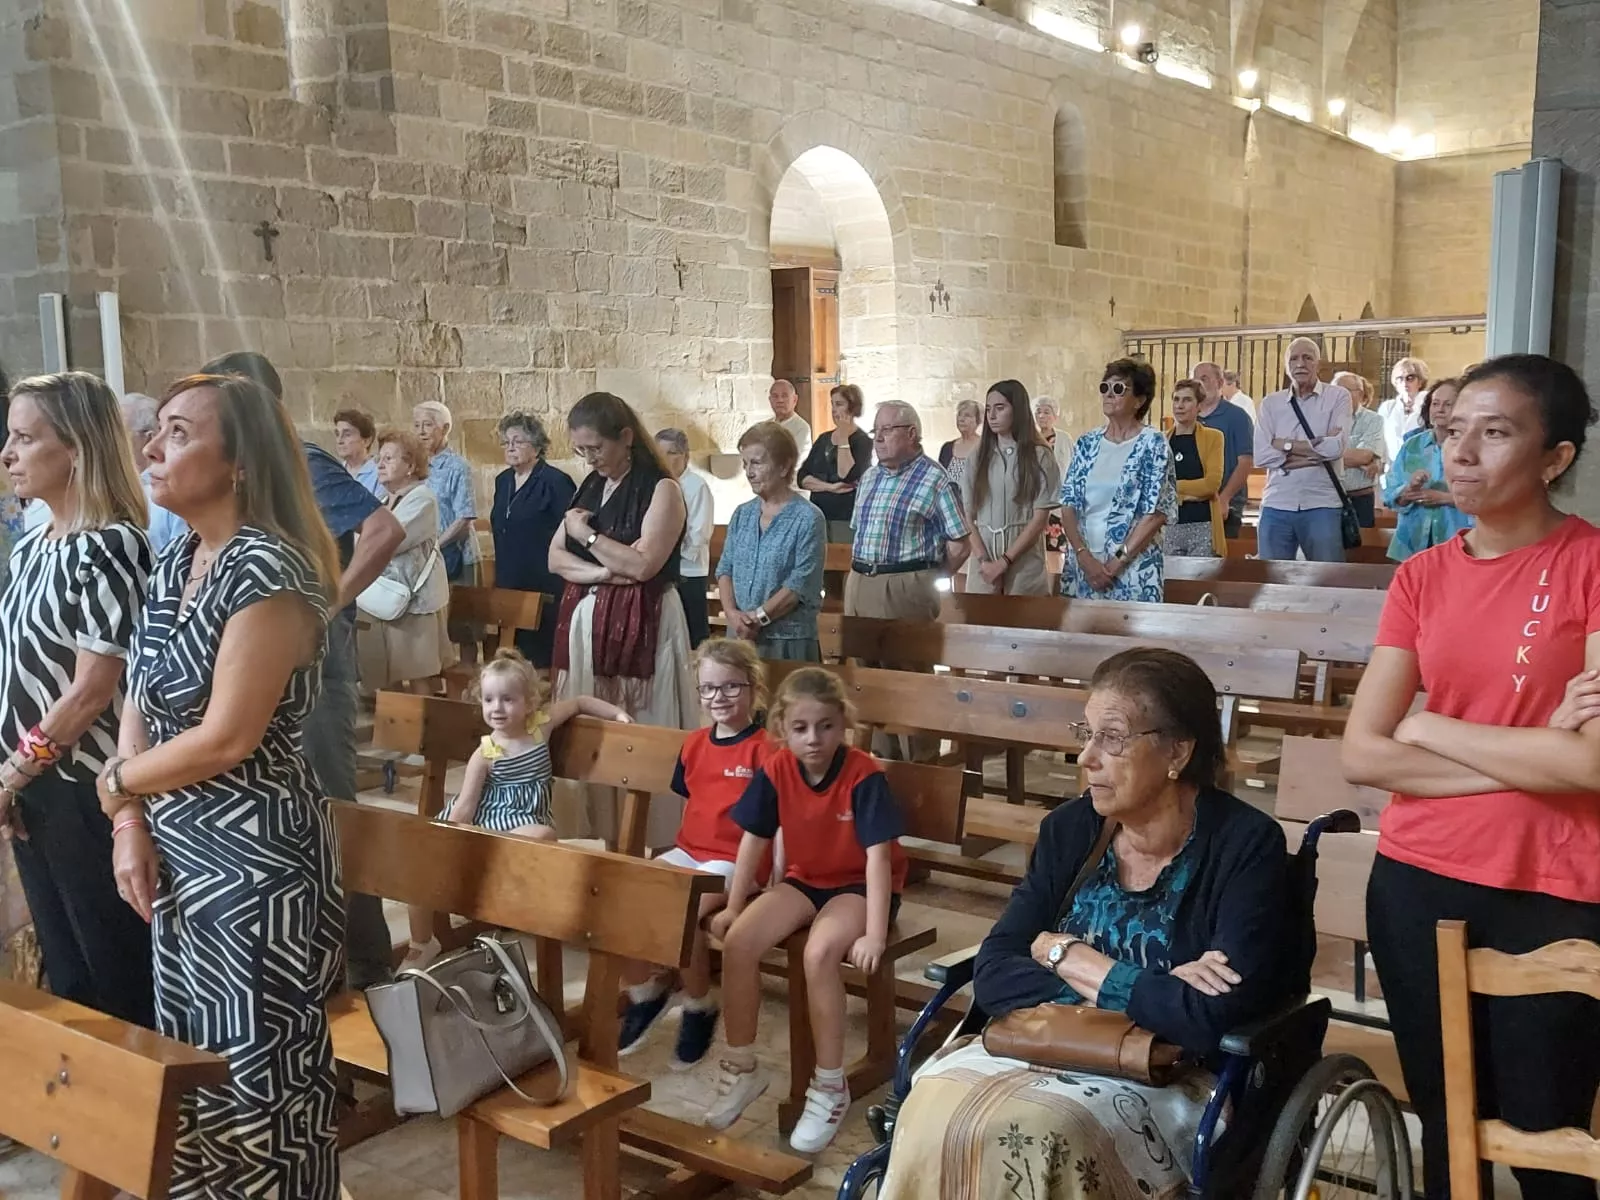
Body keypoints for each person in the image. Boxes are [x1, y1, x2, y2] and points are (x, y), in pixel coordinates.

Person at [877, 648, 1293, 1200]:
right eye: (1086, 733)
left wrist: (1070, 957)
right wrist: (1152, 991)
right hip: (1045, 1046)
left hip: (1165, 1073)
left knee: (1045, 1134)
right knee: (930, 1106)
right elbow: (997, 970)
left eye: (1112, 738)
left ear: (1178, 751)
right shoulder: (1069, 831)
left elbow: (1209, 1019)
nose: (1085, 758)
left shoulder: (1246, 847)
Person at [1343, 355, 1600, 1200]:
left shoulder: (1591, 567)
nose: (1462, 453)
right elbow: (1366, 752)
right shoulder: (1421, 576)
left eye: (1496, 433)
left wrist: (1434, 727)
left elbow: (1591, 764)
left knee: (1543, 1138)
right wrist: (1535, 762)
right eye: (1456, 431)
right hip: (1417, 882)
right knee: (1448, 1130)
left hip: (1553, 886)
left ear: (1555, 457)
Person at [98, 371, 345, 1197]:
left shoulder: (267, 569)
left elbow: (226, 737)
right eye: (155, 430)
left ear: (238, 462)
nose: (152, 448)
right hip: (180, 851)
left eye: (177, 432)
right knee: (197, 1068)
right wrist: (128, 817)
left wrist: (118, 780)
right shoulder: (180, 557)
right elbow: (138, 691)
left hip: (256, 869)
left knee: (260, 1080)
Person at [199, 351, 404, 992]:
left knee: (331, 808)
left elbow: (383, 530)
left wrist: (328, 604)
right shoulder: (246, 473)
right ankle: (310, 960)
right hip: (269, 667)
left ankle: (368, 966)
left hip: (315, 665)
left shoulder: (301, 462)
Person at [0, 371, 154, 1028]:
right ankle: (88, 1120)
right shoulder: (34, 544)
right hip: (33, 781)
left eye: (26, 438)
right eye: (9, 436)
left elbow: (93, 688)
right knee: (65, 968)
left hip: (86, 786)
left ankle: (148, 1120)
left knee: (111, 962)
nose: (8, 453)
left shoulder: (111, 545)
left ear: (79, 450)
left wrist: (14, 770)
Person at [705, 667, 908, 1153]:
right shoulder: (777, 768)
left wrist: (875, 935)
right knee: (739, 941)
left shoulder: (863, 775)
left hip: (859, 887)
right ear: (782, 729)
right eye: (800, 728)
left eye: (825, 727)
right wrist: (735, 906)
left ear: (843, 726)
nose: (813, 739)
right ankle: (741, 1066)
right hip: (804, 880)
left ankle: (830, 1084)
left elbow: (879, 858)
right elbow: (753, 838)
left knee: (818, 954)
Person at [402, 648, 631, 967]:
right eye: (489, 699)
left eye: (508, 699)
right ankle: (421, 942)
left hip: (523, 821)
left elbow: (580, 702)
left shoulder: (541, 727)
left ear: (529, 703)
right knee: (417, 865)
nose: (497, 708)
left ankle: (507, 894)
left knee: (542, 833)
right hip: (485, 821)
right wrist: (447, 842)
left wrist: (616, 714)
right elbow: (465, 806)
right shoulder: (485, 753)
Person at [548, 392, 697, 848]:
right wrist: (603, 573)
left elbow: (644, 565)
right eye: (581, 451)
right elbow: (555, 559)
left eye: (597, 448)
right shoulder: (589, 486)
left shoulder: (662, 489)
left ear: (626, 437)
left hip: (646, 626)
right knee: (595, 734)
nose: (590, 459)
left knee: (642, 727)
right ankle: (611, 841)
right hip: (588, 624)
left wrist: (586, 534)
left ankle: (653, 839)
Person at [619, 638, 772, 1066]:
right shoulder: (695, 744)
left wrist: (755, 888)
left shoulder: (765, 750)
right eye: (709, 688)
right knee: (622, 892)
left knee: (680, 907)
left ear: (752, 687)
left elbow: (772, 823)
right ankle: (646, 990)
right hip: (692, 851)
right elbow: (693, 801)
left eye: (730, 687)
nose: (718, 698)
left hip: (737, 859)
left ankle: (700, 1002)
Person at [847, 401, 969, 760]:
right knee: (869, 680)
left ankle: (922, 766)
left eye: (887, 430)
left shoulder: (935, 479)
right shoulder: (870, 476)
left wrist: (929, 576)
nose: (878, 438)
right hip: (861, 580)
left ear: (911, 434)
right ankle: (883, 763)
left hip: (905, 584)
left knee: (909, 678)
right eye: (876, 431)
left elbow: (960, 542)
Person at [1058, 358, 1177, 601]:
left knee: (1133, 638)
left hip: (1133, 567)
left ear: (1140, 401)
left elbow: (1155, 512)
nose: (1109, 394)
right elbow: (1068, 503)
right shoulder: (1086, 443)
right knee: (1081, 636)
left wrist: (1115, 564)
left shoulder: (1153, 444)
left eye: (1119, 388)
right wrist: (1084, 557)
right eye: (1105, 387)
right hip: (1085, 565)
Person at [717, 422, 825, 661]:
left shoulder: (808, 517)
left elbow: (799, 584)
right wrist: (732, 615)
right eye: (745, 464)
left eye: (756, 462)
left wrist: (758, 618)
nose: (749, 472)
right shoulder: (742, 514)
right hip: (740, 636)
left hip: (787, 641)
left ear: (784, 466)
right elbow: (725, 568)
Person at [355, 429, 453, 692]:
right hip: (384, 599)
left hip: (415, 601)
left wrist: (361, 537)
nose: (380, 463)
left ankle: (425, 731)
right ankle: (394, 729)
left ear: (410, 466)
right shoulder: (385, 500)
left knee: (418, 671)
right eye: (379, 458)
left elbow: (390, 539)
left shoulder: (422, 498)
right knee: (389, 674)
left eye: (389, 458)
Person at [1253, 338, 1351, 562]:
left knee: (1328, 579)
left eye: (1307, 358)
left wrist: (1283, 445)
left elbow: (1336, 448)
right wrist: (1314, 451)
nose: (1300, 364)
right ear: (1286, 365)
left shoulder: (1337, 397)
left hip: (1322, 504)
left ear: (1318, 363)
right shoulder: (1271, 404)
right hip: (1277, 503)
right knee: (1271, 582)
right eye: (1294, 359)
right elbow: (1261, 455)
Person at [958, 379, 1060, 595]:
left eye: (1000, 408)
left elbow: (1040, 517)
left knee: (1023, 623)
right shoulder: (977, 457)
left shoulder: (1040, 455)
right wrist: (985, 561)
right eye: (988, 409)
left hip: (1024, 562)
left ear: (1018, 410)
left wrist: (1004, 561)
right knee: (980, 624)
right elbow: (968, 516)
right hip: (983, 561)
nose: (992, 416)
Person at [490, 410, 575, 669]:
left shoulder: (555, 482)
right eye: (506, 442)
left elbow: (572, 534)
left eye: (518, 441)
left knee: (543, 659)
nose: (510, 447)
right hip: (510, 579)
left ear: (537, 446)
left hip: (545, 582)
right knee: (513, 658)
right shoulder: (503, 481)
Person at [1382, 378, 1473, 563]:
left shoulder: (1472, 447)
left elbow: (1488, 497)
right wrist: (1408, 490)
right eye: (1435, 403)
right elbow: (1391, 494)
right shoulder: (1412, 445)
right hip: (1411, 543)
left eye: (1448, 404)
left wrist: (1444, 498)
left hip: (1460, 542)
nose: (1440, 409)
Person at [656, 427, 714, 650]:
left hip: (689, 571)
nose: (664, 459)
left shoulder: (696, 486)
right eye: (659, 453)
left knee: (692, 635)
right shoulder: (657, 484)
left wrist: (674, 557)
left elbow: (699, 532)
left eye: (670, 453)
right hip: (663, 569)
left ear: (685, 456)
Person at [412, 400, 478, 587]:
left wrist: (435, 547)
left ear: (445, 428)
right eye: (417, 425)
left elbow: (464, 518)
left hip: (451, 557)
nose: (421, 431)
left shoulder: (457, 466)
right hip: (422, 557)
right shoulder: (415, 465)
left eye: (428, 424)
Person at [797, 383, 872, 545]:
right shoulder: (823, 439)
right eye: (832, 404)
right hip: (818, 515)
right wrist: (830, 487)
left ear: (852, 408)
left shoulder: (863, 442)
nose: (833, 409)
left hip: (845, 519)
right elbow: (802, 477)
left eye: (839, 404)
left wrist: (844, 437)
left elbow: (845, 475)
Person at [1194, 361, 1255, 540]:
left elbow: (1246, 462)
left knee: (1219, 563)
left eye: (1204, 378)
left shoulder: (1237, 417)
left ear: (1220, 383)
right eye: (1195, 379)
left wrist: (1224, 498)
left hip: (1225, 504)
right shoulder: (1189, 417)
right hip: (1193, 503)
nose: (1199, 384)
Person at [122, 391, 189, 553]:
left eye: (177, 432)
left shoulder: (171, 491)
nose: (111, 443)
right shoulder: (116, 487)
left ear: (147, 438)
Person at [1166, 378, 1226, 556]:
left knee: (1201, 581)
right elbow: (1157, 486)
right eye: (1176, 399)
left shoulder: (1214, 437)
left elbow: (1211, 485)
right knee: (1171, 582)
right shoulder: (1162, 441)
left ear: (1199, 406)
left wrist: (1175, 488)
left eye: (1187, 400)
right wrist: (1191, 493)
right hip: (1169, 526)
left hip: (1202, 524)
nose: (1180, 405)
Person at [1333, 371, 1387, 527]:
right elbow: (1315, 453)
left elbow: (1364, 456)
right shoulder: (1324, 418)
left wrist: (1328, 455)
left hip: (1360, 499)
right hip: (1328, 497)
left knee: (1362, 548)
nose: (1337, 395)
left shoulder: (1373, 420)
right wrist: (1355, 460)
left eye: (1344, 390)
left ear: (1360, 393)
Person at [1034, 396, 1075, 554]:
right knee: (1035, 551)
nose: (1042, 416)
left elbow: (1073, 468)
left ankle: (1055, 580)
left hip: (1057, 502)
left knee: (1056, 552)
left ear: (1055, 417)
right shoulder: (1029, 438)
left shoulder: (1064, 439)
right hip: (1035, 501)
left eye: (1046, 412)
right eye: (1038, 412)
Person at [1379, 355, 1429, 464]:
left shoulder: (1429, 405)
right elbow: (1381, 440)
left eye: (1410, 378)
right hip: (1394, 467)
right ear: (1395, 383)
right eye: (1400, 378)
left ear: (1420, 382)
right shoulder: (1388, 407)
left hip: (1423, 465)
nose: (1405, 383)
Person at [936, 399, 982, 493]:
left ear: (978, 420)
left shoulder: (984, 446)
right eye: (959, 415)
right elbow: (939, 480)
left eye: (967, 415)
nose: (961, 419)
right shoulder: (947, 448)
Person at [334, 407, 381, 495]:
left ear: (366, 441)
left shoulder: (379, 473)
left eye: (347, 435)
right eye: (337, 434)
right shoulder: (335, 472)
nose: (340, 440)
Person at [767, 378, 812, 459]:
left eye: (784, 396)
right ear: (770, 400)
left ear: (794, 399)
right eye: (775, 396)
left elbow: (792, 460)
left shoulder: (802, 428)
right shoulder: (765, 427)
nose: (780, 400)